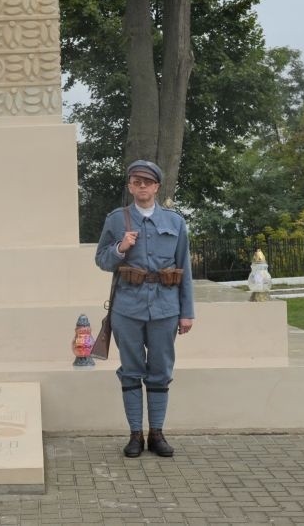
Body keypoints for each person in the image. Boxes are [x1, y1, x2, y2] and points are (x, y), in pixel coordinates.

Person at [95, 160, 194, 458]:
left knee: (161, 370)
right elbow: (101, 259)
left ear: (157, 187)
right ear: (129, 186)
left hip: (165, 308)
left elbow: (184, 268)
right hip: (127, 309)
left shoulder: (175, 223)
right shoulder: (116, 220)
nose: (141, 186)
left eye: (147, 182)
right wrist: (120, 249)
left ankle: (157, 434)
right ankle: (135, 434)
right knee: (131, 370)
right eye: (136, 181)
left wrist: (187, 312)